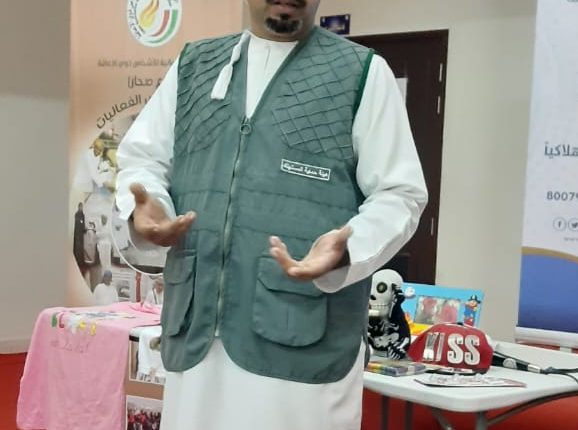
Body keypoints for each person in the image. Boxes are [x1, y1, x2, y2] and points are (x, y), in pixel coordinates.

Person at [114, 1, 427, 429]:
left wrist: (348, 248)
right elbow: (143, 160)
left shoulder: (363, 74)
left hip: (303, 345)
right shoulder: (193, 66)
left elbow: (400, 193)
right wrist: (148, 204)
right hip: (196, 337)